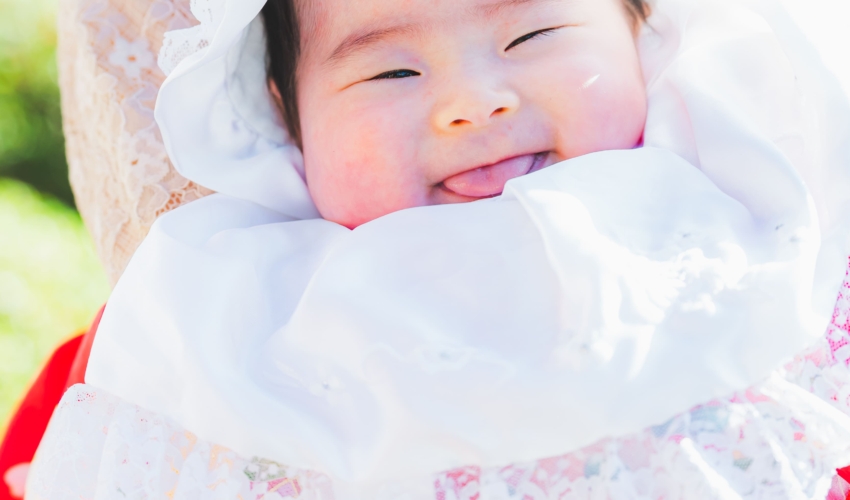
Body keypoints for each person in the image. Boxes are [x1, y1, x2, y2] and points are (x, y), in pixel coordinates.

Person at [25, 0, 850, 497]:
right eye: (390, 74)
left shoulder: (763, 227)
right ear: (283, 122)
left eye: (533, 34)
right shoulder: (228, 335)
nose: (473, 103)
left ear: (641, 34)